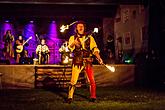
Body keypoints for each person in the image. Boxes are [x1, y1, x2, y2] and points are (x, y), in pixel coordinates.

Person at [66, 21, 103, 103]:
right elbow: (69, 49)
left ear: (84, 28)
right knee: (73, 80)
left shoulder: (90, 38)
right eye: (79, 26)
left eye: (82, 26)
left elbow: (94, 49)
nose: (80, 27)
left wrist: (99, 58)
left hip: (87, 61)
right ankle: (70, 97)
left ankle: (93, 96)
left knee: (91, 80)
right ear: (76, 28)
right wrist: (73, 44)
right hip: (77, 61)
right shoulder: (72, 38)